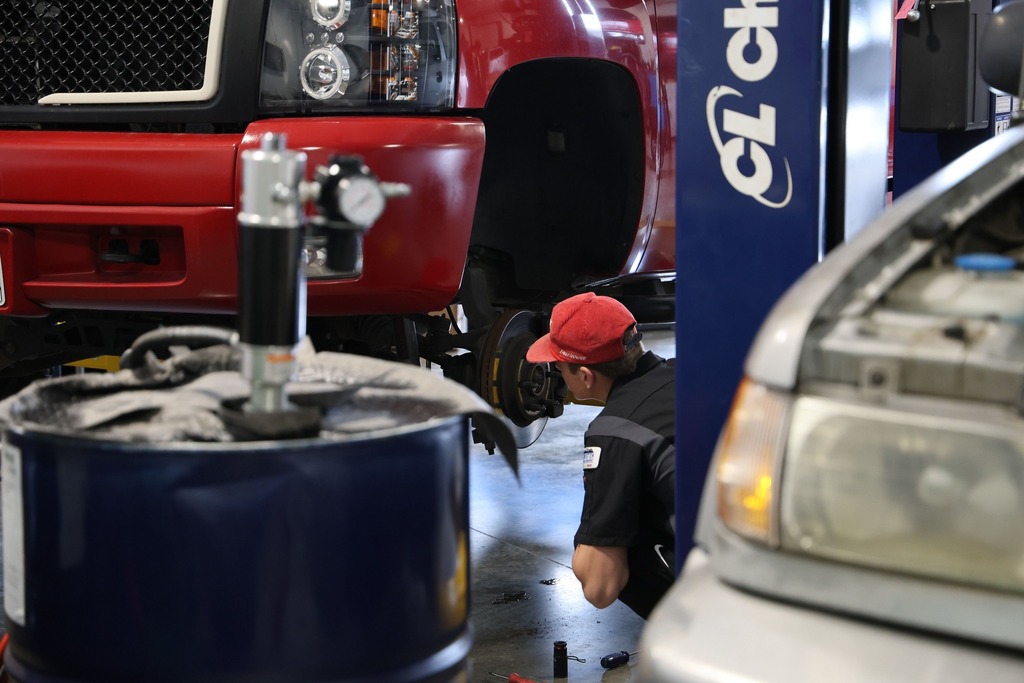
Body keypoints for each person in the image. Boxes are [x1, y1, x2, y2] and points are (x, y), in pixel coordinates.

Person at [526, 292, 676, 619]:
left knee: (600, 557)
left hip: (720, 582)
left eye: (560, 368)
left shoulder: (613, 431)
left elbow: (600, 590)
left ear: (585, 376)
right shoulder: (682, 374)